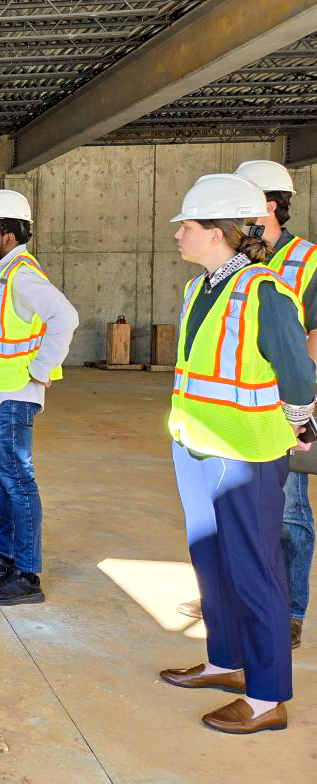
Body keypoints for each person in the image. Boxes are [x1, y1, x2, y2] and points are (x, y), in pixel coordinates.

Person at [160, 173, 312, 734]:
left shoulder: (263, 291)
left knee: (255, 571)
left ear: (219, 232)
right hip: (196, 445)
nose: (178, 233)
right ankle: (225, 663)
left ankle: (268, 696)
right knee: (211, 562)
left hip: (244, 454)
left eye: (188, 225)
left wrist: (302, 423)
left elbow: (297, 373)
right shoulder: (198, 288)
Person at [0, 189, 77, 605]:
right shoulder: (2, 275)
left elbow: (65, 317)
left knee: (18, 482)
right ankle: (6, 555)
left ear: (8, 236)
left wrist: (41, 370)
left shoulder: (22, 275)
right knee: (2, 479)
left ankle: (26, 575)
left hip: (12, 395)